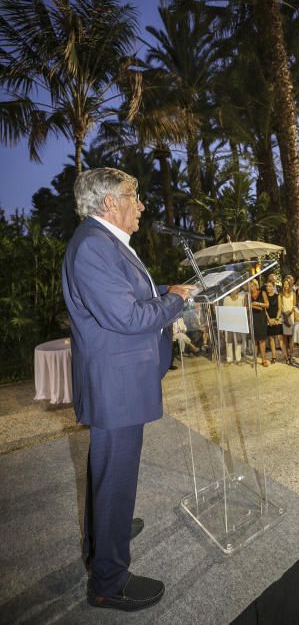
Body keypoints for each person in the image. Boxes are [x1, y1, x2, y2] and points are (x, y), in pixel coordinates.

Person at [61, 168, 193, 612]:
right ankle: (108, 581)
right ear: (108, 203)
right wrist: (173, 300)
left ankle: (104, 537)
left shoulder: (104, 242)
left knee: (110, 475)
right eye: (133, 196)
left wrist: (167, 291)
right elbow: (128, 318)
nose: (140, 205)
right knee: (115, 478)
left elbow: (131, 295)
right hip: (116, 388)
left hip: (120, 382)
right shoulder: (94, 247)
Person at [250, 279, 270, 366]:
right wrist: (256, 306)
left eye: (252, 285)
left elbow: (267, 305)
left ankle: (263, 359)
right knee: (254, 340)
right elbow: (246, 306)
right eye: (249, 286)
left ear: (256, 285)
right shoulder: (248, 295)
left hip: (261, 319)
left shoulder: (262, 292)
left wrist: (256, 303)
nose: (251, 287)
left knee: (262, 340)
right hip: (252, 318)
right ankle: (254, 359)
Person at [223, 289, 246, 364]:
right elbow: (224, 311)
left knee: (238, 341)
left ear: (238, 290)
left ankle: (238, 359)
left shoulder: (241, 298)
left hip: (238, 323)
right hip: (228, 323)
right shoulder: (226, 299)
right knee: (229, 342)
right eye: (231, 289)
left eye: (235, 289)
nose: (233, 290)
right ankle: (229, 359)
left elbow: (243, 310)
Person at [265, 280, 282, 363]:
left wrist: (276, 318)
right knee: (271, 339)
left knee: (280, 338)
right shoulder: (265, 297)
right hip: (268, 320)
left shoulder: (277, 296)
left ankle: (286, 356)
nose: (268, 288)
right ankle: (274, 357)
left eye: (270, 286)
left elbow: (280, 308)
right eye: (267, 286)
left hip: (276, 319)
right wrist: (269, 320)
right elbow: (264, 310)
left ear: (273, 287)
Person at [279, 277, 295, 364]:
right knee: (285, 338)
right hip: (284, 317)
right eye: (284, 284)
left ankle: (291, 355)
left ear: (290, 285)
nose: (286, 285)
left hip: (292, 317)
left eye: (287, 284)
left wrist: (290, 313)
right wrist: (284, 314)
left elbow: (295, 305)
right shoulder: (280, 295)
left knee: (292, 338)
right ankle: (287, 357)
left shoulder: (293, 294)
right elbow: (280, 307)